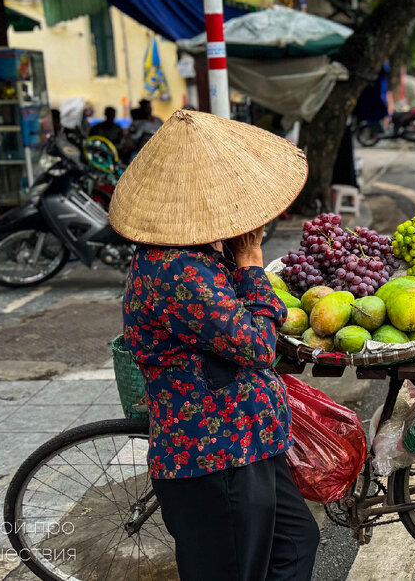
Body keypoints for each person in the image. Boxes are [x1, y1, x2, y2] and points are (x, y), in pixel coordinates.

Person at [111, 110, 318, 581]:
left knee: (296, 544)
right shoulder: (179, 272)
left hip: (251, 443)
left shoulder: (199, 254)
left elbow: (257, 323)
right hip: (215, 455)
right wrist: (250, 263)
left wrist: (247, 276)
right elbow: (261, 344)